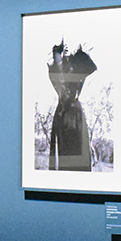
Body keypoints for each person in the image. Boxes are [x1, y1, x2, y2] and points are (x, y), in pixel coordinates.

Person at [47, 40, 95, 171]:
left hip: (74, 114)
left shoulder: (78, 65)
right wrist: (58, 60)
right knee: (63, 151)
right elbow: (58, 79)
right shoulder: (54, 72)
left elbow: (87, 68)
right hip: (63, 114)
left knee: (78, 149)